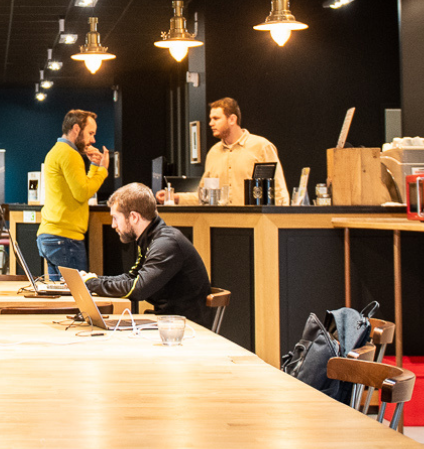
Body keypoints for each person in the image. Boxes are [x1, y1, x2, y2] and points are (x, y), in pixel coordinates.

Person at [86, 183, 213, 324]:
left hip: (185, 327)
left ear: (134, 217)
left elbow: (138, 289)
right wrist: (94, 280)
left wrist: (93, 284)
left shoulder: (166, 243)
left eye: (115, 218)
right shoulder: (152, 238)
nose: (113, 225)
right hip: (169, 322)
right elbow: (132, 277)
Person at [159, 96, 288, 205]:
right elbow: (204, 196)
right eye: (211, 119)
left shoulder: (261, 147)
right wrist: (176, 198)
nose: (210, 123)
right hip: (221, 224)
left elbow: (279, 192)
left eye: (216, 118)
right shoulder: (213, 153)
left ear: (232, 119)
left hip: (254, 223)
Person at [37, 108, 108, 279]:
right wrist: (102, 170)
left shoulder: (56, 151)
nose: (93, 140)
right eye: (90, 133)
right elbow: (82, 193)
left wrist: (94, 166)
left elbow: (80, 188)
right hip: (65, 239)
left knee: (59, 294)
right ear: (76, 128)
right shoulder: (70, 154)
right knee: (76, 294)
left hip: (50, 236)